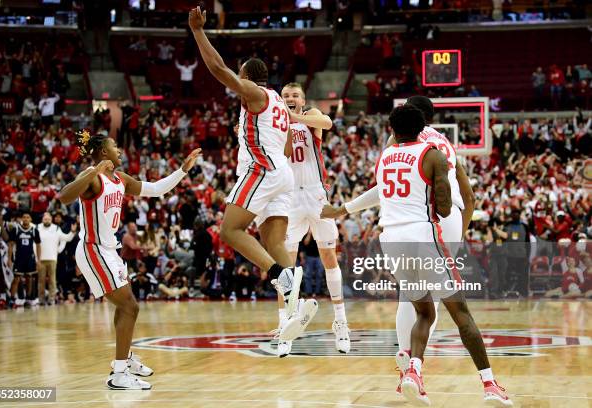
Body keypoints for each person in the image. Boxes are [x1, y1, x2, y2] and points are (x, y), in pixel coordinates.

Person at [323, 105, 511, 406]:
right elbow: (448, 205)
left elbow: (382, 193)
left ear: (392, 129)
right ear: (425, 123)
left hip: (391, 240)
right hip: (424, 236)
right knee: (460, 313)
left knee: (422, 311)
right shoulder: (435, 152)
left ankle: (412, 371)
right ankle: (490, 385)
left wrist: (343, 209)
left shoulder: (385, 156)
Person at [188, 6, 317, 343]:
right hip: (282, 173)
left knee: (229, 231)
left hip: (263, 171)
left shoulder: (255, 93)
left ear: (246, 76)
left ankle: (281, 277)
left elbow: (217, 68)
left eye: (240, 76)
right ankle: (293, 308)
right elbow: (288, 147)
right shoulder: (276, 100)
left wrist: (198, 32)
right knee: (274, 242)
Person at [58, 129, 201, 390]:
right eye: (115, 146)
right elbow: (64, 196)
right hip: (93, 249)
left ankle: (123, 360)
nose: (120, 150)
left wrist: (183, 170)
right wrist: (93, 170)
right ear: (103, 152)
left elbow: (156, 190)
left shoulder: (120, 178)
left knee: (125, 307)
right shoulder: (92, 178)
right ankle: (119, 374)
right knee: (130, 307)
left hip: (110, 251)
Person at [278, 82, 350, 357]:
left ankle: (340, 322)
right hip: (290, 199)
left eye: (295, 95)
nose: (290, 98)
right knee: (286, 264)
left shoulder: (311, 119)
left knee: (328, 256)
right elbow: (283, 154)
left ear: (302, 99)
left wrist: (291, 116)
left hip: (316, 195)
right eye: (285, 96)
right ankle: (285, 325)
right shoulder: (278, 125)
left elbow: (328, 122)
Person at [36, 212, 76, 305]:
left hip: (52, 258)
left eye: (48, 219)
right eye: (45, 219)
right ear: (42, 220)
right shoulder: (37, 228)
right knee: (41, 281)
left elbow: (67, 238)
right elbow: (35, 244)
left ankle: (51, 299)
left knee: (52, 280)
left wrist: (72, 232)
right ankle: (41, 299)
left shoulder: (56, 228)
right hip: (40, 259)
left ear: (51, 220)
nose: (47, 221)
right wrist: (36, 258)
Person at [8, 211, 41, 307]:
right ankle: (12, 298)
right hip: (19, 258)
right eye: (24, 217)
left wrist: (38, 260)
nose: (26, 219)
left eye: (28, 217)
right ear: (22, 219)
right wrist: (9, 259)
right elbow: (11, 245)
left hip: (30, 258)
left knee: (29, 278)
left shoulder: (34, 230)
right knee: (16, 279)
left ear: (30, 219)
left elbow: (38, 245)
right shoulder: (16, 229)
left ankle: (28, 299)